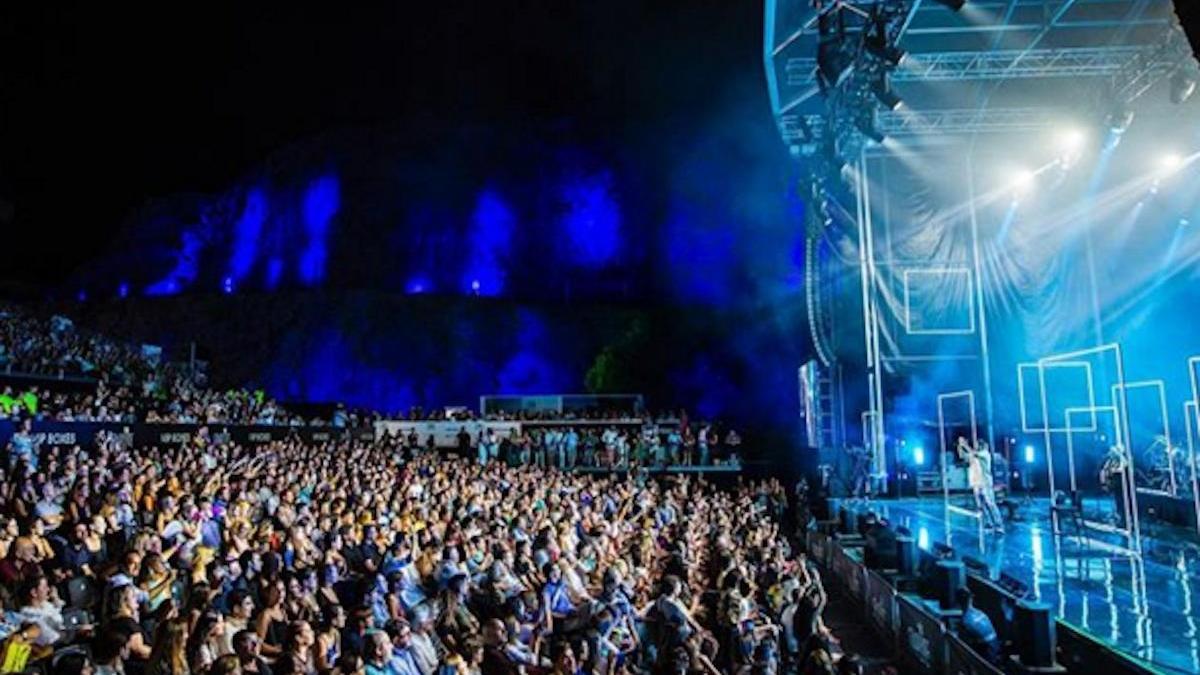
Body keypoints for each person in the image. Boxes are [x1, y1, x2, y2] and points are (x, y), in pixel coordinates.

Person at [957, 438, 1004, 534]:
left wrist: (965, 444)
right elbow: (962, 455)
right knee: (981, 505)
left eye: (977, 445)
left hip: (985, 482)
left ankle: (999, 524)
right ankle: (989, 524)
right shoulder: (973, 455)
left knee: (990, 503)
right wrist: (960, 446)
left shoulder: (985, 454)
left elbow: (973, 453)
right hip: (976, 483)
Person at [955, 588, 1000, 665]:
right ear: (971, 599)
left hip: (986, 659)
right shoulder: (981, 613)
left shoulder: (965, 621)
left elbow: (963, 645)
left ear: (958, 602)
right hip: (996, 651)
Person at [1100, 444, 1130, 528]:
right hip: (1114, 486)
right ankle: (1118, 518)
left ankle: (1124, 521)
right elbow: (1104, 470)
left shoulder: (1123, 460)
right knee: (1117, 503)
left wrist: (1119, 455)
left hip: (1122, 487)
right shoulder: (1110, 460)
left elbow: (1123, 467)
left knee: (1122, 505)